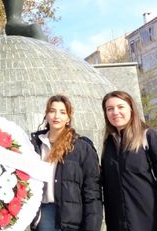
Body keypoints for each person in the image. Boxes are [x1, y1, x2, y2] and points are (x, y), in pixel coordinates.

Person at [100, 90, 157, 231]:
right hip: (118, 224)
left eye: (120, 107)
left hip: (150, 222)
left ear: (131, 109)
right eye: (110, 109)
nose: (115, 112)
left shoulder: (149, 138)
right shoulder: (109, 145)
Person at [30, 95, 102, 231]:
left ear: (68, 118)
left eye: (62, 112)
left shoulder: (81, 147)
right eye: (52, 111)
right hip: (46, 215)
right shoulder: (35, 145)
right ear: (46, 115)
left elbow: (92, 191)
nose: (56, 116)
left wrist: (93, 225)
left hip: (72, 217)